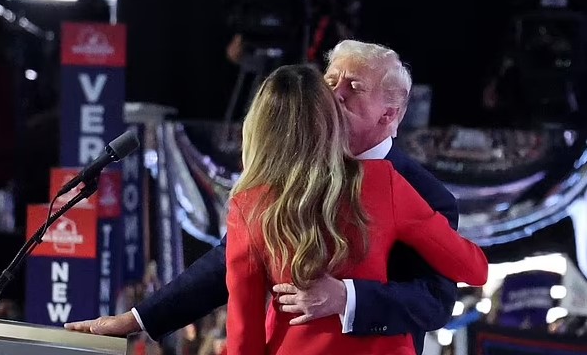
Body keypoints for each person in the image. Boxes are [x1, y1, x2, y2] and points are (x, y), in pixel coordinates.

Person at [65, 40, 465, 354]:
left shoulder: (425, 195)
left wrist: (346, 298)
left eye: (354, 87)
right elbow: (228, 265)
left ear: (389, 115)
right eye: (330, 81)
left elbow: (433, 303)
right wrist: (137, 319)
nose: (334, 94)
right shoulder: (284, 176)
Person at [225, 63, 487, 354]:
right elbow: (474, 269)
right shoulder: (382, 182)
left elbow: (243, 335)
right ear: (331, 119)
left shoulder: (248, 205)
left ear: (259, 129)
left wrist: (347, 296)